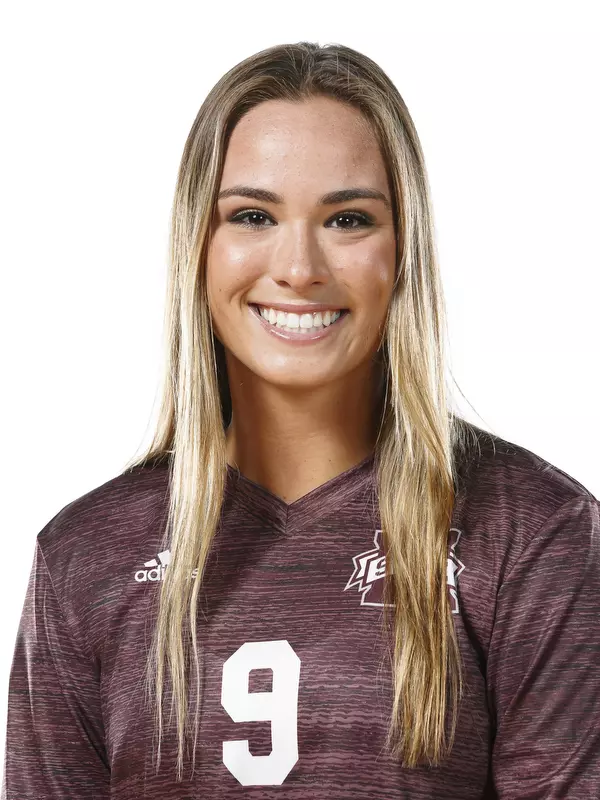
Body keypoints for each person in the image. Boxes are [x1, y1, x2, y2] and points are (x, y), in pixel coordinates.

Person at [1, 41, 599, 800]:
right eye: (252, 214)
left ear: (402, 251)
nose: (299, 266)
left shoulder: (533, 532)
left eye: (348, 219)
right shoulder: (84, 556)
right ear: (200, 248)